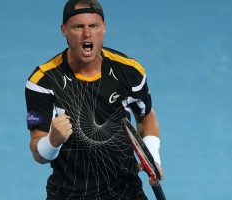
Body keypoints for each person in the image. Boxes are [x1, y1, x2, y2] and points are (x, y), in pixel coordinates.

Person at [25, 0, 164, 199]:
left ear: (104, 28)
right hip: (69, 194)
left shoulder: (129, 71)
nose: (87, 34)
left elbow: (146, 116)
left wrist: (152, 158)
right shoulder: (43, 81)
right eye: (78, 26)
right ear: (64, 30)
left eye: (93, 26)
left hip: (125, 191)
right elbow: (38, 153)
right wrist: (52, 141)